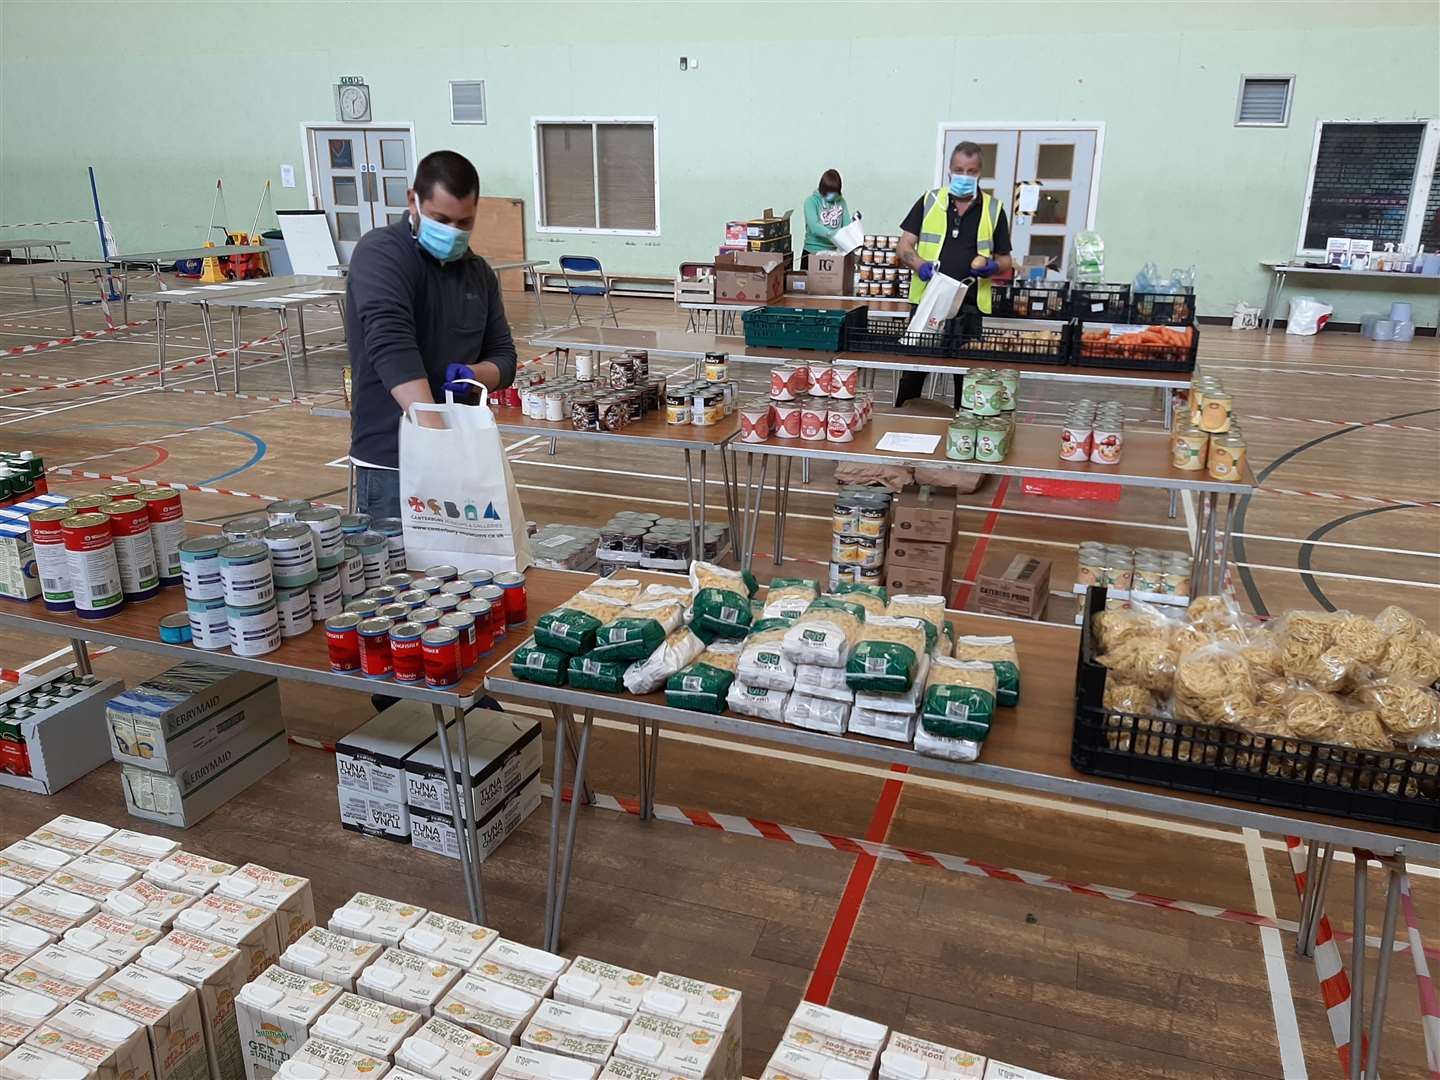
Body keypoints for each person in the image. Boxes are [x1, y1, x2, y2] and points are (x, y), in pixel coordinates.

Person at [344, 149, 518, 520]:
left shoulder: (478, 274)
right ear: (413, 201)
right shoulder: (382, 254)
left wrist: (474, 374)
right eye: (442, 219)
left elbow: (504, 357)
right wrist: (435, 439)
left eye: (464, 222)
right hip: (395, 464)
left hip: (464, 454)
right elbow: (391, 345)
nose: (453, 232)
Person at [895, 141, 1013, 407]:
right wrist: (919, 264)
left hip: (969, 307)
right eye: (959, 169)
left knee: (968, 380)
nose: (965, 176)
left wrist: (993, 267)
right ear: (949, 170)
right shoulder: (930, 201)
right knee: (914, 372)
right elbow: (903, 245)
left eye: (971, 171)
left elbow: (1006, 259)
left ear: (980, 172)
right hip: (929, 302)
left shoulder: (994, 209)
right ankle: (903, 425)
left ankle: (962, 434)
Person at [802, 169, 849, 266]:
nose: (832, 195)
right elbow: (814, 226)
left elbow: (846, 224)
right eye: (829, 192)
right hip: (813, 252)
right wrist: (833, 234)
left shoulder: (841, 202)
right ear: (822, 189)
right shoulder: (811, 201)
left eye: (834, 192)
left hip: (834, 253)